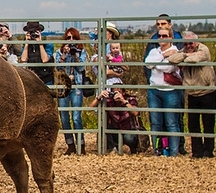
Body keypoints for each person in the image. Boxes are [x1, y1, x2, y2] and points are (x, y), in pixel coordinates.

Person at [169, 32, 216, 158]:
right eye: (186, 44)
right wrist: (185, 54)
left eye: (190, 43)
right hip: (192, 93)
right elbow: (171, 59)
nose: (188, 46)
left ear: (196, 42)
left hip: (207, 92)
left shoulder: (204, 49)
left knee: (208, 123)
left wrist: (183, 58)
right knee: (193, 124)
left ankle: (208, 151)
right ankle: (197, 152)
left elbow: (195, 59)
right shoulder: (184, 51)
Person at [145, 27, 183, 157]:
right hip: (154, 90)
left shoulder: (176, 51)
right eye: (159, 36)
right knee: (155, 123)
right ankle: (157, 150)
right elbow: (148, 64)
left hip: (170, 90)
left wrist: (157, 63)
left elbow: (168, 68)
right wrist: (163, 55)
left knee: (171, 122)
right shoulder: (154, 51)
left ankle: (173, 153)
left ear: (171, 37)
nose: (161, 38)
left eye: (165, 36)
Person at [55, 27, 88, 155]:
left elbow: (82, 67)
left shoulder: (82, 52)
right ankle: (70, 145)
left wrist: (75, 56)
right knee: (64, 117)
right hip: (64, 86)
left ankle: (81, 144)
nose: (71, 40)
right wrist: (64, 55)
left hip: (77, 86)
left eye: (73, 37)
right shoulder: (59, 52)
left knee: (76, 117)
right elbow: (58, 67)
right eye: (68, 38)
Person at [89, 81, 141, 154]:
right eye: (114, 92)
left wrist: (123, 101)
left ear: (123, 93)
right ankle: (112, 149)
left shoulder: (130, 99)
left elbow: (136, 113)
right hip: (115, 129)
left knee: (129, 138)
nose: (116, 95)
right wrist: (99, 97)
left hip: (129, 129)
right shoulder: (109, 101)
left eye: (119, 92)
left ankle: (133, 149)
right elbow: (90, 108)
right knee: (102, 128)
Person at [20, 21, 55, 86]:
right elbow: (23, 59)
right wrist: (27, 43)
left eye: (35, 32)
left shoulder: (47, 44)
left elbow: (45, 60)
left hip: (46, 78)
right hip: (32, 78)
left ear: (39, 32)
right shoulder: (26, 46)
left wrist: (40, 42)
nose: (33, 34)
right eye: (31, 32)